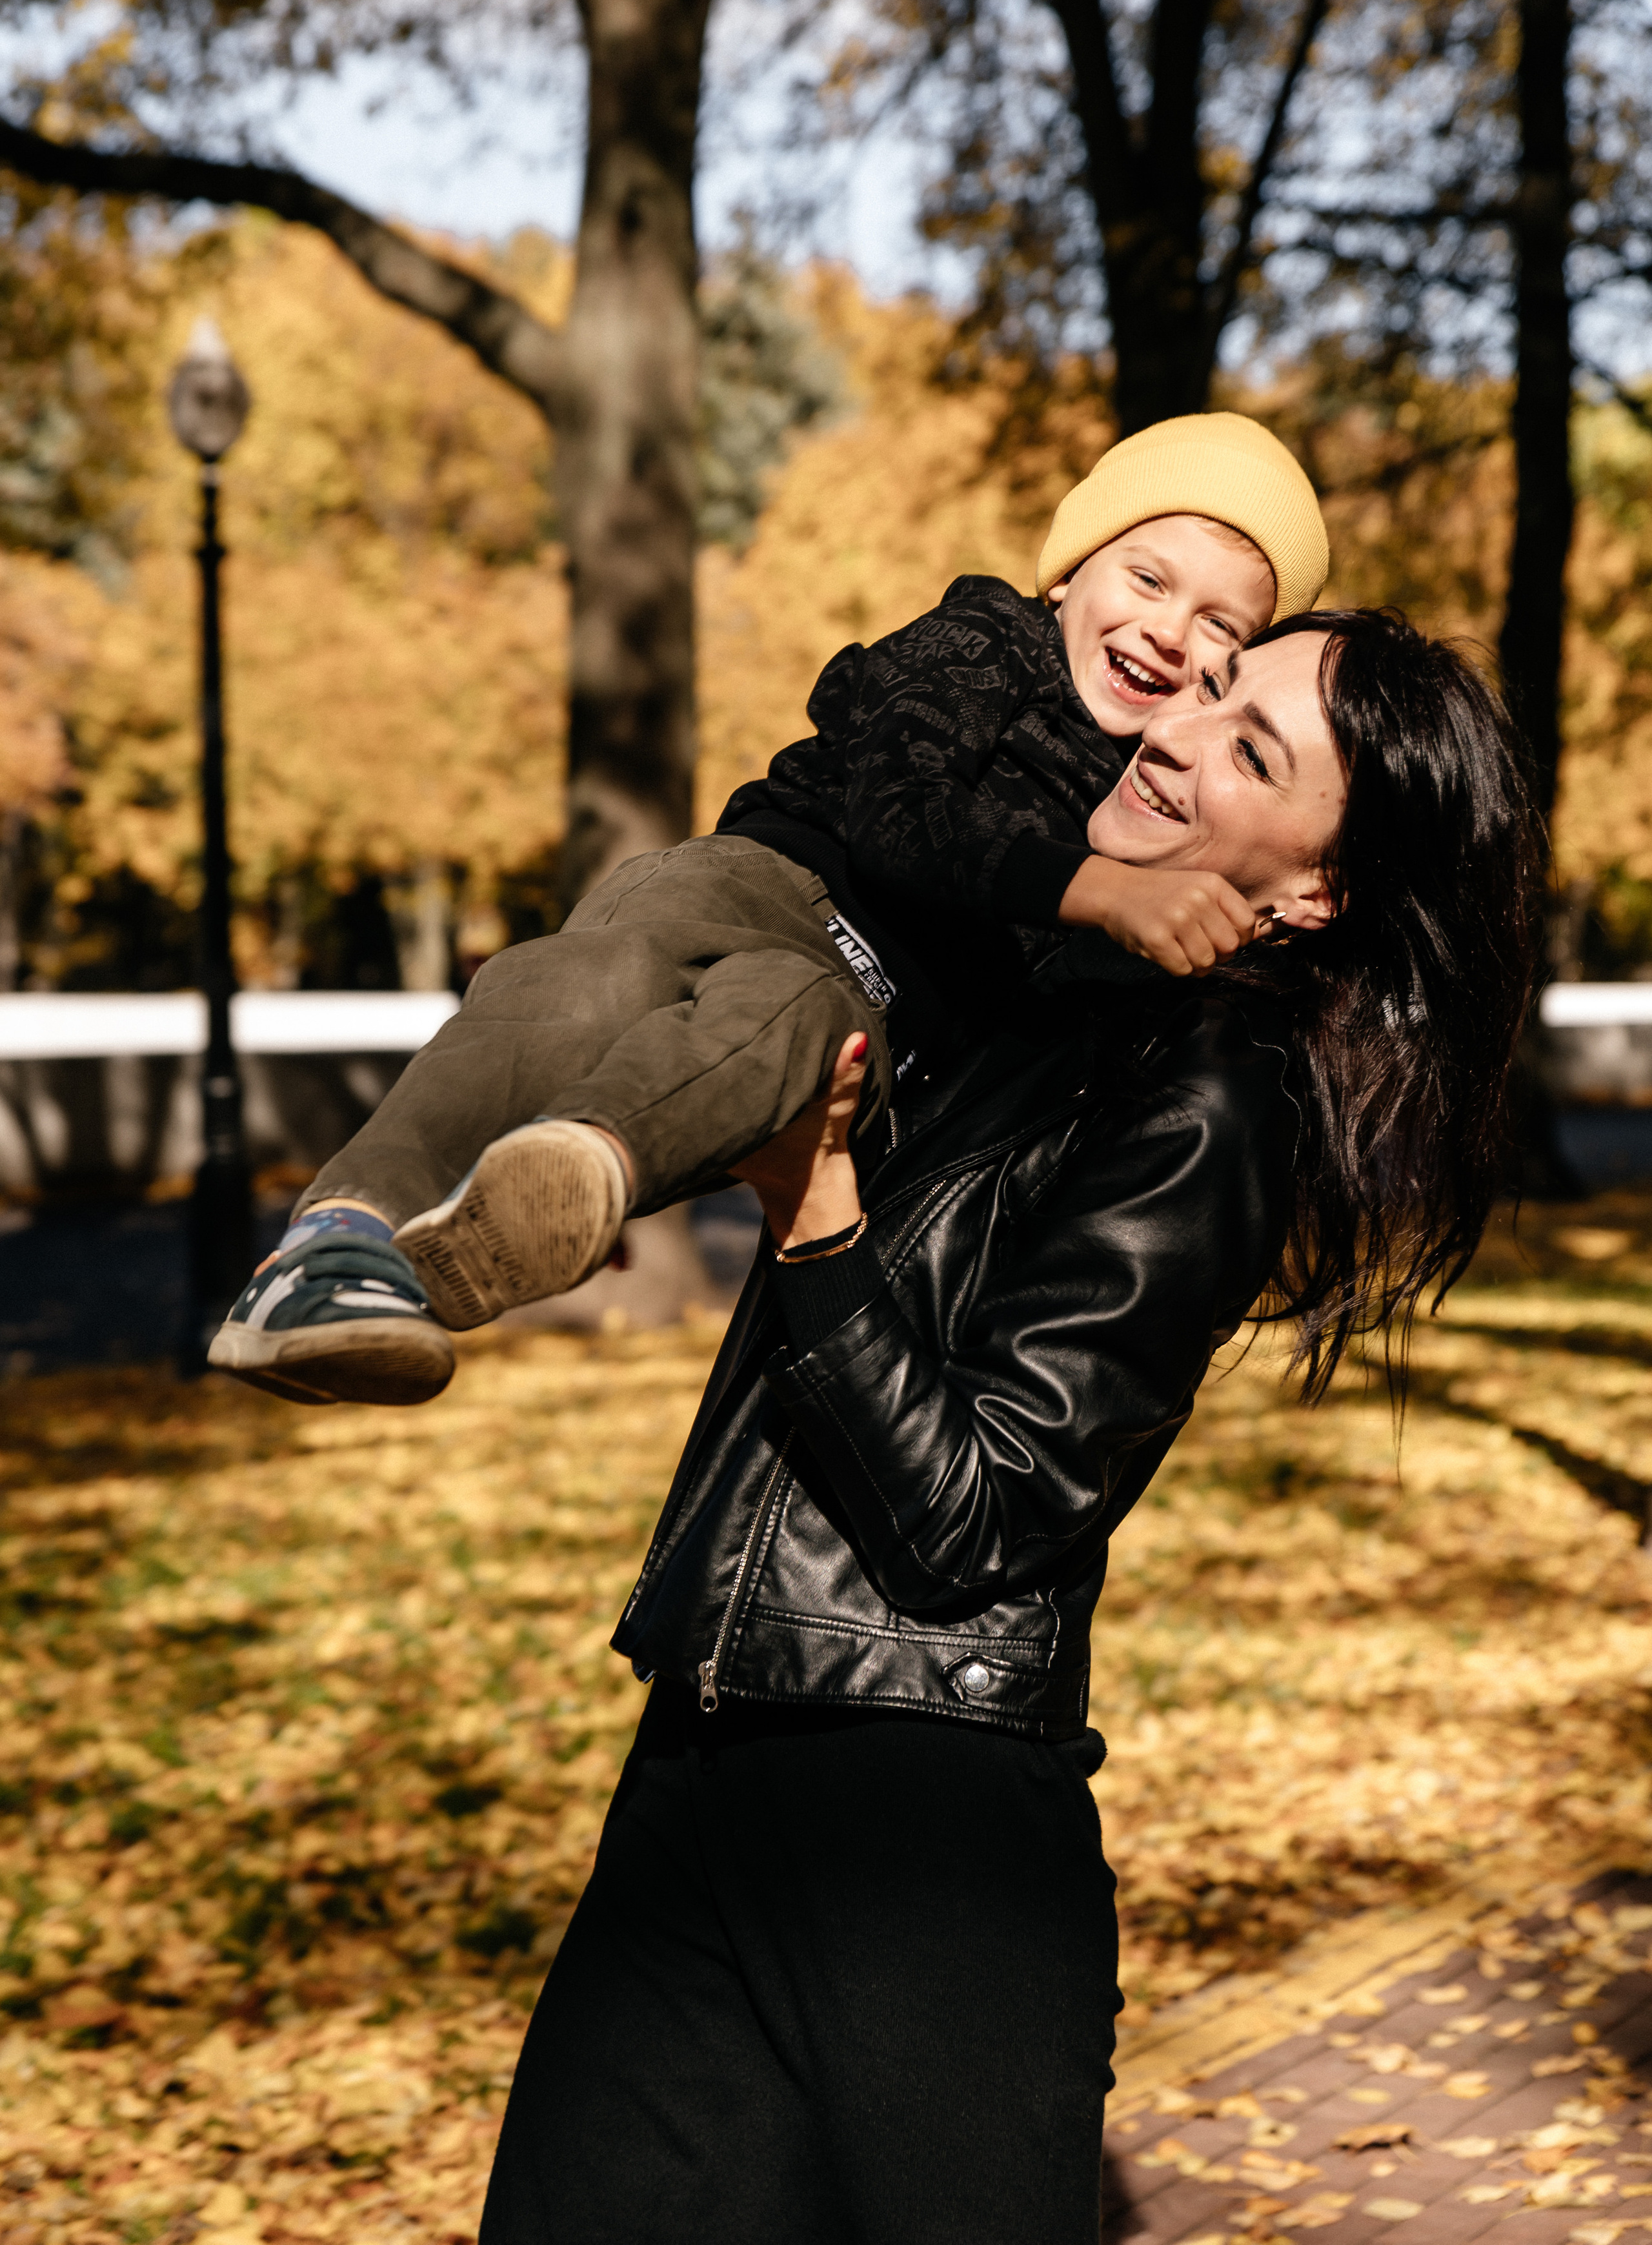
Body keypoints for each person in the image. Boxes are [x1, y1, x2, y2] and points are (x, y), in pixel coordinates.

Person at [474, 607, 1543, 2245]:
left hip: (923, 1842)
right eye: (1205, 691)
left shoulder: (1216, 1093)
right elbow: (873, 781)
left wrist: (818, 1210)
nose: (1180, 729)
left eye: (1251, 747)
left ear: (1316, 890)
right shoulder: (1048, 991)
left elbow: (984, 1509)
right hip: (711, 1748)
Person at [210, 413, 1328, 1407]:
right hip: (761, 881)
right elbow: (904, 808)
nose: (1174, 634)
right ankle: (337, 1239)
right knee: (583, 983)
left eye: (1222, 629)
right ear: (1067, 573)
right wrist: (1104, 895)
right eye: (1147, 580)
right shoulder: (986, 645)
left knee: (793, 1030)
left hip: (858, 1008)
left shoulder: (1145, 799)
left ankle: (573, 1175)